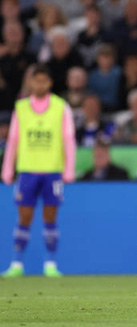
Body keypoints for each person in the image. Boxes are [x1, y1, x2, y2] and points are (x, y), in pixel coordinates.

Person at [1, 64, 76, 277]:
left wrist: (68, 169)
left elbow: (68, 139)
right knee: (24, 217)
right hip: (27, 170)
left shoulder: (61, 106)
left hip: (52, 170)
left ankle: (50, 264)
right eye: (36, 80)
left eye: (44, 80)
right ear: (30, 82)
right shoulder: (21, 108)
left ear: (49, 83)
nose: (40, 84)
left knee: (50, 217)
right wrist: (8, 169)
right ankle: (16, 264)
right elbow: (13, 140)